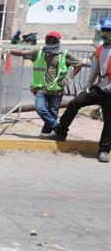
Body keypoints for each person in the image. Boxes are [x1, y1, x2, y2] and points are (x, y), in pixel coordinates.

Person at [9, 31, 87, 137]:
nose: (50, 41)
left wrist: (70, 76)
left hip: (57, 88)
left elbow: (79, 64)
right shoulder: (39, 51)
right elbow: (23, 53)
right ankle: (58, 127)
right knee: (40, 108)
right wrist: (9, 51)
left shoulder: (64, 54)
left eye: (53, 40)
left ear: (58, 41)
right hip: (41, 88)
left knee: (53, 112)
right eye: (48, 39)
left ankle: (47, 133)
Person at [54, 18, 111, 163]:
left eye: (109, 31)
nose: (106, 34)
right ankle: (61, 132)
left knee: (109, 121)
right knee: (75, 102)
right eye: (104, 31)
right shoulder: (100, 48)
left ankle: (104, 150)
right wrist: (88, 85)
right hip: (99, 87)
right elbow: (95, 69)